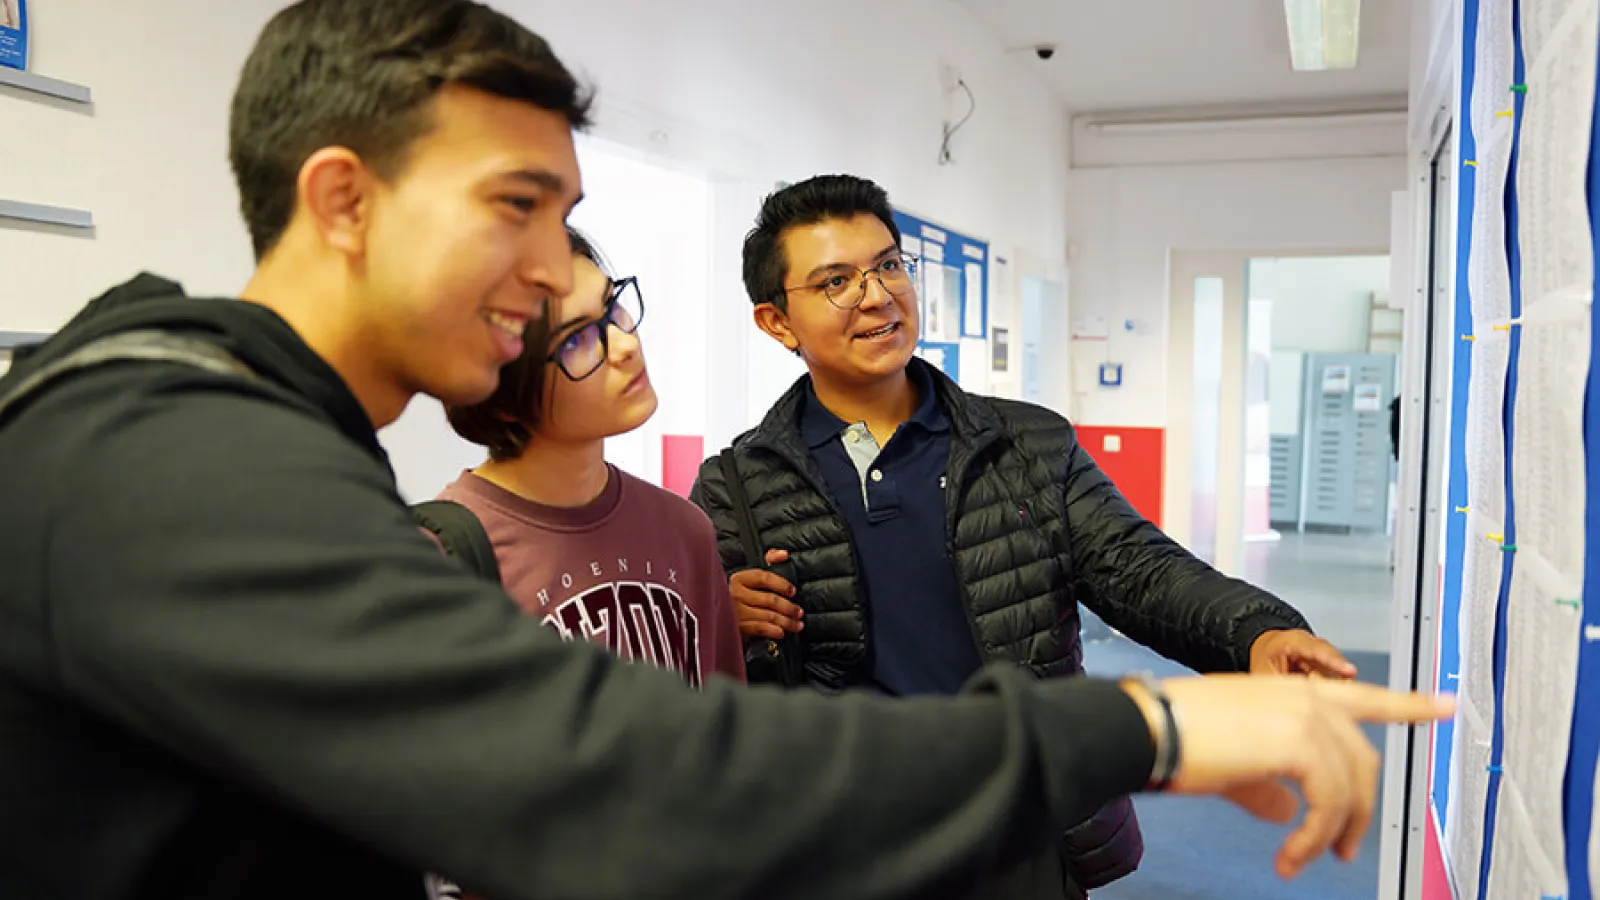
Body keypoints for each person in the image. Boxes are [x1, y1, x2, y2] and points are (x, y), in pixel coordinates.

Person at [0, 2, 1452, 899]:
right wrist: (1154, 727)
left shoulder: (268, 438)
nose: (559, 274)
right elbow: (621, 772)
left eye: (569, 221)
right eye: (517, 207)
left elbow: (1133, 563)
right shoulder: (165, 458)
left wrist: (1241, 640)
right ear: (341, 199)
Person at [690, 173, 1361, 898]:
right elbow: (702, 685)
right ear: (777, 323)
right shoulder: (737, 487)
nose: (878, 295)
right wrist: (721, 617)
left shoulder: (1026, 445)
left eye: (887, 265)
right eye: (836, 282)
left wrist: (1257, 635)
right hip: (847, 843)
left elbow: (1137, 569)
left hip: (1020, 826)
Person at [434, 227, 745, 688]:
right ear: (498, 390)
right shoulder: (446, 558)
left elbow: (725, 732)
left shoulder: (685, 530)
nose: (625, 344)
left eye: (612, 308)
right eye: (576, 341)